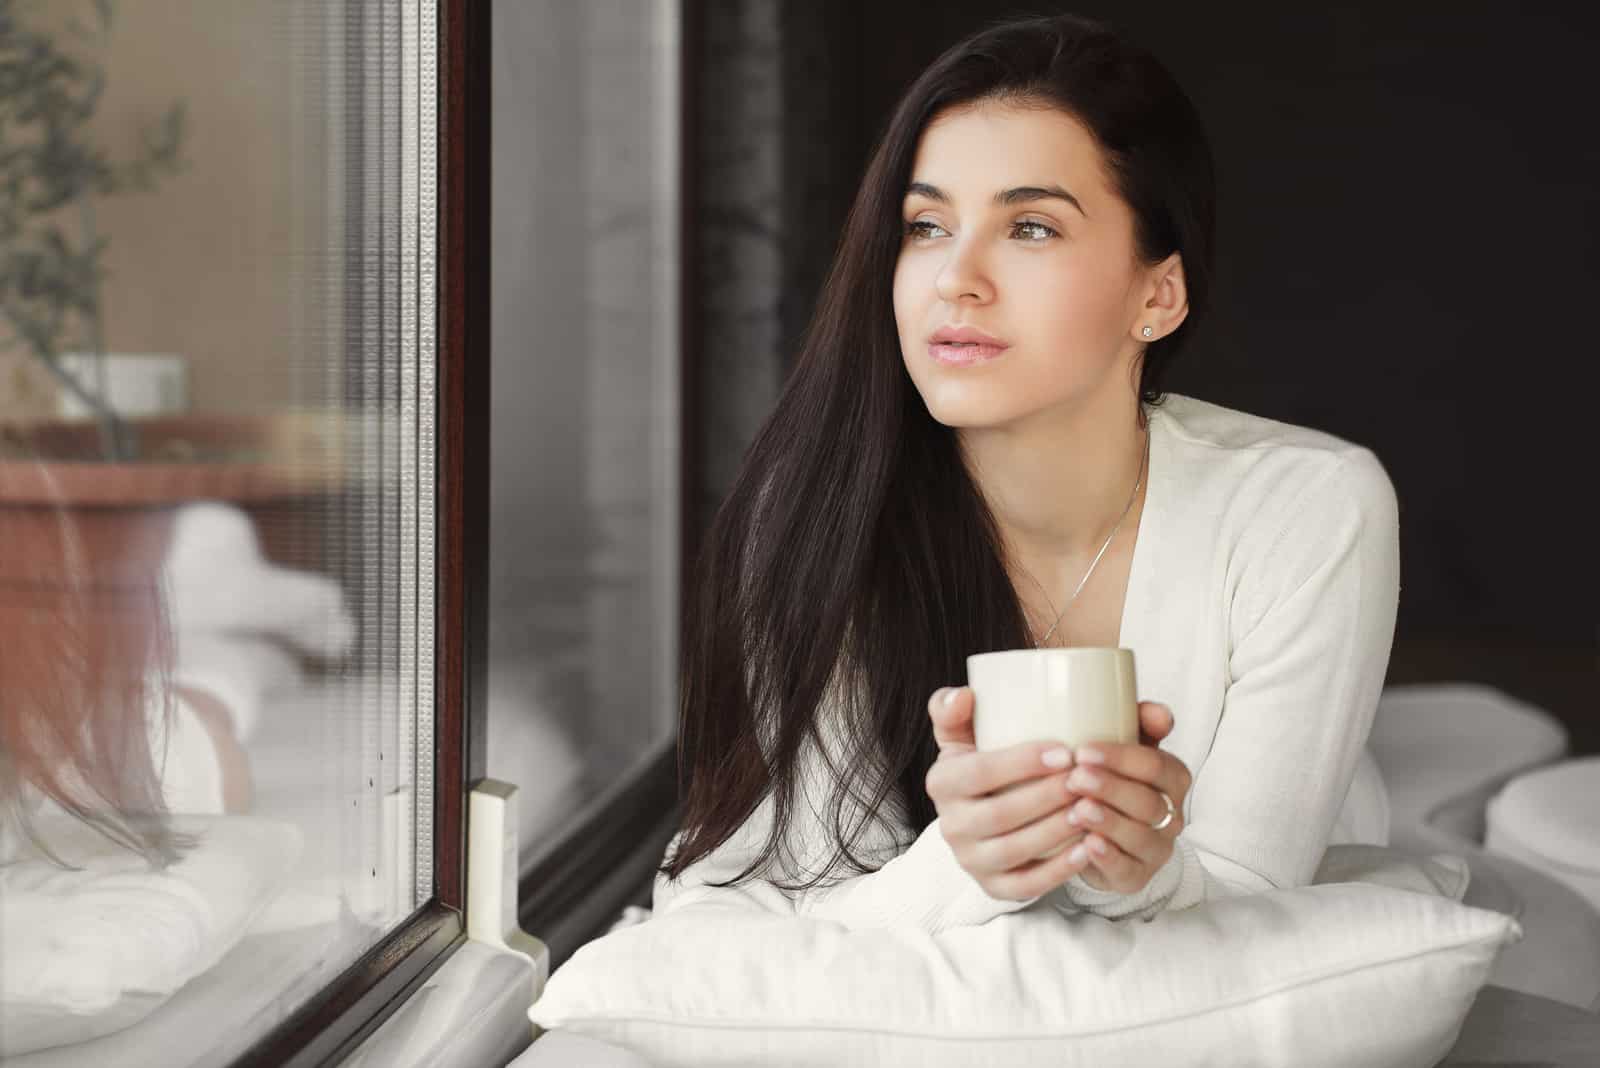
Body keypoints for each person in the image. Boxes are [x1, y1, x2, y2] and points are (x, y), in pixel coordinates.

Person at [653, 12, 1399, 930]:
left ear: (1157, 295)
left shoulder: (1306, 506)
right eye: (925, 225)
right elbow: (800, 912)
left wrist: (1140, 868)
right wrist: (971, 865)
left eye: (1032, 228)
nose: (954, 279)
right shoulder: (817, 516)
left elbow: (1250, 894)